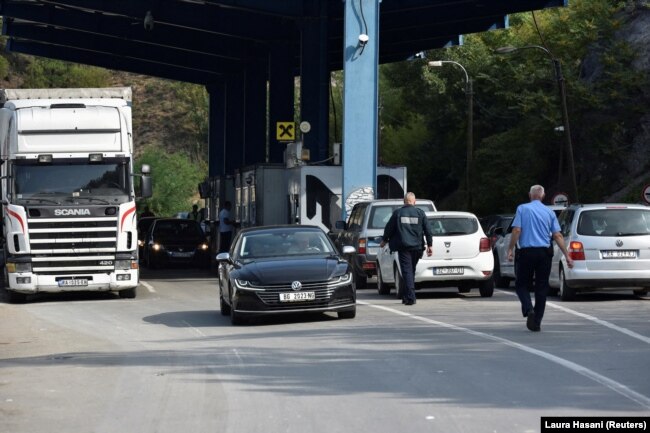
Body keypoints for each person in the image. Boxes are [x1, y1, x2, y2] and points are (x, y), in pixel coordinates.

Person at [507, 185, 574, 332]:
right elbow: (557, 235)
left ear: (530, 195)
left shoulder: (522, 209)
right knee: (542, 287)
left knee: (521, 284)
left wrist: (510, 249)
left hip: (526, 253)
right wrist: (567, 255)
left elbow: (517, 229)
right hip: (544, 254)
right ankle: (536, 322)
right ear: (543, 197)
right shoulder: (549, 212)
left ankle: (528, 308)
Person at [380, 192, 433, 305]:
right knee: (410, 271)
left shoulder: (398, 213)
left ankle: (411, 297)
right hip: (417, 247)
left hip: (404, 247)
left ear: (404, 201)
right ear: (414, 202)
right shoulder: (420, 213)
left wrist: (384, 240)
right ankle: (406, 296)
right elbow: (428, 230)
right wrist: (430, 245)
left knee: (407, 271)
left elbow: (389, 228)